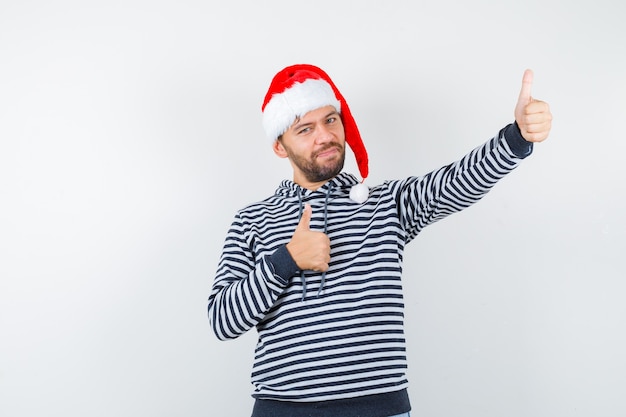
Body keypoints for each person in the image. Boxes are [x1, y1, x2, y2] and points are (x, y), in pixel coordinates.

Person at [207, 64, 552, 417]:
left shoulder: (384, 203)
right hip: (283, 410)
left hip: (379, 409)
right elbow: (222, 320)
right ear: (280, 146)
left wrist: (517, 138)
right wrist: (286, 261)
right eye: (305, 129)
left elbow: (454, 183)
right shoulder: (252, 220)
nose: (324, 136)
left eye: (330, 120)